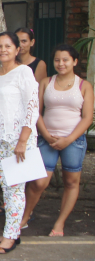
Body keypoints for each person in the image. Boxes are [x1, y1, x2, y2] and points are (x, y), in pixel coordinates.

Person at [21, 44, 93, 237]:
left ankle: (60, 223)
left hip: (74, 140)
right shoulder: (45, 82)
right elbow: (36, 111)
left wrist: (68, 139)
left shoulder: (84, 86)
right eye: (57, 60)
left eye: (65, 60)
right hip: (47, 138)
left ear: (75, 62)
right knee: (38, 182)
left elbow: (87, 118)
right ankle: (24, 217)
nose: (61, 64)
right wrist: (45, 134)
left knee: (71, 182)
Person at [0, 31, 40, 254]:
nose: (3, 50)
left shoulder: (24, 72)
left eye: (8, 46)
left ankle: (10, 236)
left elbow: (32, 107)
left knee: (15, 189)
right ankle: (11, 231)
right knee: (7, 188)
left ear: (17, 50)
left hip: (19, 140)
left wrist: (23, 140)